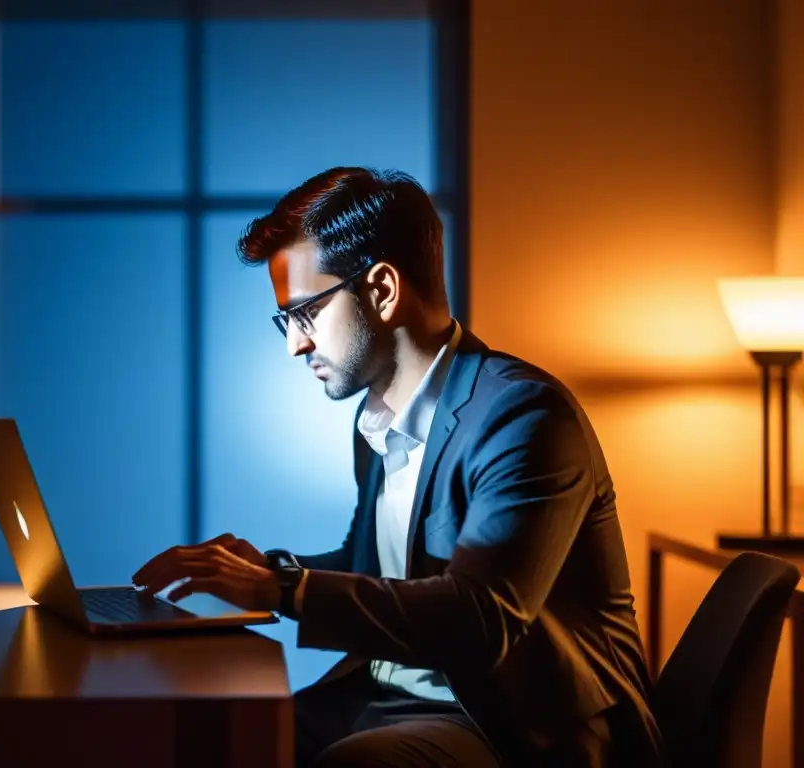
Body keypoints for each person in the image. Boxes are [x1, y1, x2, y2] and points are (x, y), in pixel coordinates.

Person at [133, 167, 665, 768]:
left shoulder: (524, 417)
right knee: (212, 737)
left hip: (511, 724)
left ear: (382, 290)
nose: (295, 345)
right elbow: (385, 573)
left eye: (305, 313)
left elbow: (480, 617)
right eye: (286, 322)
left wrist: (281, 589)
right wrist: (264, 570)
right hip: (394, 698)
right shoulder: (376, 419)